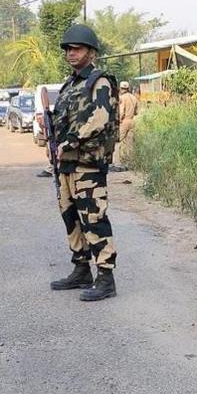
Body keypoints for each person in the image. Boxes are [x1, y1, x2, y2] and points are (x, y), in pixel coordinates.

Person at [46, 24, 121, 301]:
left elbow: (100, 119)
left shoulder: (100, 81)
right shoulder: (70, 85)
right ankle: (81, 269)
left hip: (88, 165)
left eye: (76, 48)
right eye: (68, 49)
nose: (70, 53)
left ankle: (105, 277)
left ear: (90, 51)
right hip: (66, 164)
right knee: (70, 217)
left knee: (94, 219)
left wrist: (72, 139)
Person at [111, 80, 138, 172]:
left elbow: (121, 112)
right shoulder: (134, 98)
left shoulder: (122, 98)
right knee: (130, 144)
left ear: (121, 88)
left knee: (117, 142)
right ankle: (130, 163)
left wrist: (118, 120)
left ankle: (117, 164)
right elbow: (136, 112)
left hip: (124, 122)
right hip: (132, 121)